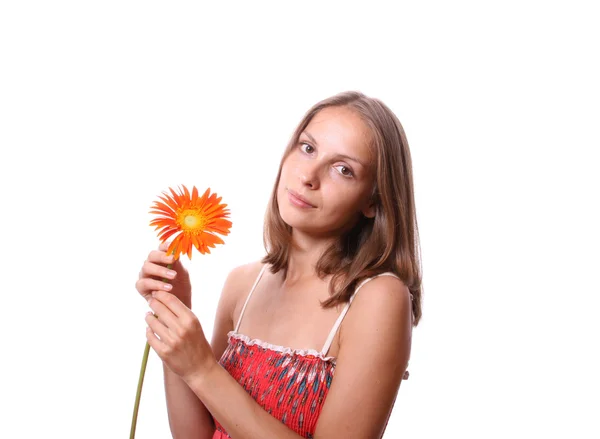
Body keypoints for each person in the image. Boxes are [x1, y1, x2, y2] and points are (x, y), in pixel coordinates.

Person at [136, 90, 423, 439]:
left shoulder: (378, 298)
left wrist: (201, 368)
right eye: (308, 148)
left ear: (374, 202)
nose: (309, 176)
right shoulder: (242, 284)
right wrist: (175, 314)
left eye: (343, 169)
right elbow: (194, 435)